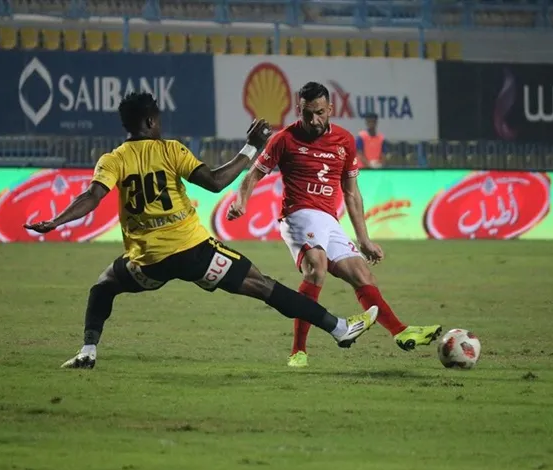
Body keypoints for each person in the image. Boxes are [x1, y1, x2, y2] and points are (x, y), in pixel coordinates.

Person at [23, 92, 378, 369]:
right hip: (195, 252)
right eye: (158, 120)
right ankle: (339, 328)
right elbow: (215, 181)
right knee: (264, 286)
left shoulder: (113, 159)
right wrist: (251, 147)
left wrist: (56, 221)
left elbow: (91, 197)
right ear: (150, 121)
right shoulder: (170, 150)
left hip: (149, 262)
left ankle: (88, 350)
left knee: (103, 286)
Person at [227, 82, 441, 368]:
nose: (313, 120)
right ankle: (298, 351)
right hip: (298, 214)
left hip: (329, 219)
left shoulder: (344, 141)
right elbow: (253, 175)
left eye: (319, 113)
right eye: (307, 114)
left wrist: (364, 240)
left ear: (329, 109)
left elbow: (351, 193)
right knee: (316, 268)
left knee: (362, 275)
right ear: (298, 110)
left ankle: (401, 332)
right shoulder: (284, 139)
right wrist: (241, 201)